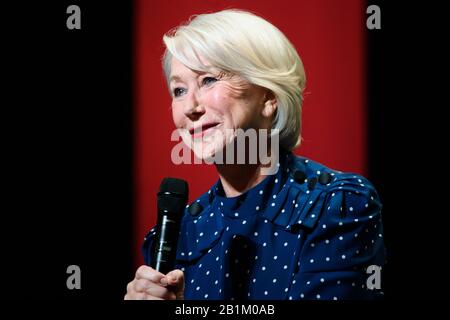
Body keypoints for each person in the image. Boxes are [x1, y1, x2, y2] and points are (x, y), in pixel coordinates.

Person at [125, 9, 385, 300]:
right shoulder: (179, 233)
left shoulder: (336, 205)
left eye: (208, 80)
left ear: (269, 98)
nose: (190, 107)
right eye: (179, 90)